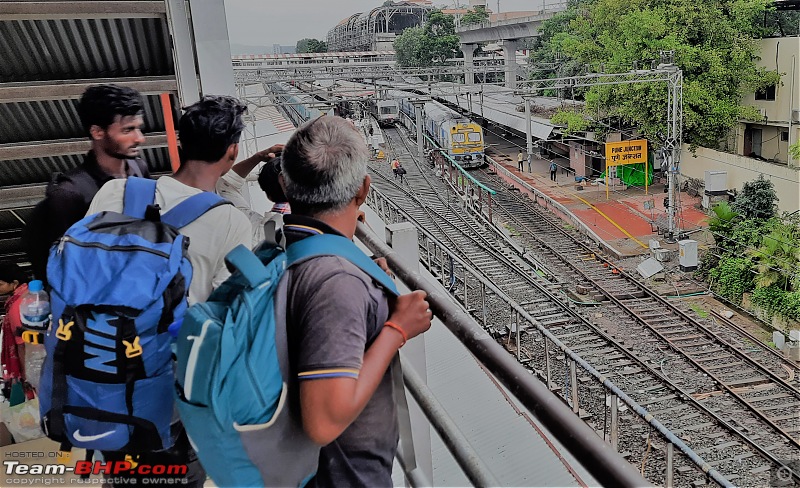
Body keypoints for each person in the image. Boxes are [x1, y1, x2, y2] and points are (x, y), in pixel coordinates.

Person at [87, 95, 253, 487]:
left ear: (179, 142)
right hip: (169, 393)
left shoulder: (117, 193)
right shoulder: (230, 222)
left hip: (100, 370)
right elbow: (228, 321)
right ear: (232, 151)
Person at [280, 115, 432, 487]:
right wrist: (397, 328)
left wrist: (354, 259)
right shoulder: (337, 281)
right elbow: (323, 422)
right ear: (364, 190)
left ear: (285, 186)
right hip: (344, 476)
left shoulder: (293, 249)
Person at [21, 84, 150, 283]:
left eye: (138, 128)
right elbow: (61, 268)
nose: (139, 138)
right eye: (128, 130)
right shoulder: (70, 193)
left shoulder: (139, 169)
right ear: (97, 132)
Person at [216, 143, 288, 245]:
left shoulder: (250, 225)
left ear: (269, 196)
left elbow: (225, 185)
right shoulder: (313, 230)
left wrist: (258, 157)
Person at [0, 261, 29, 384]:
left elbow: (22, 342)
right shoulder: (25, 294)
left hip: (30, 357)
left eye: (0, 284)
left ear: (15, 283)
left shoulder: (18, 304)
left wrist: (25, 373)